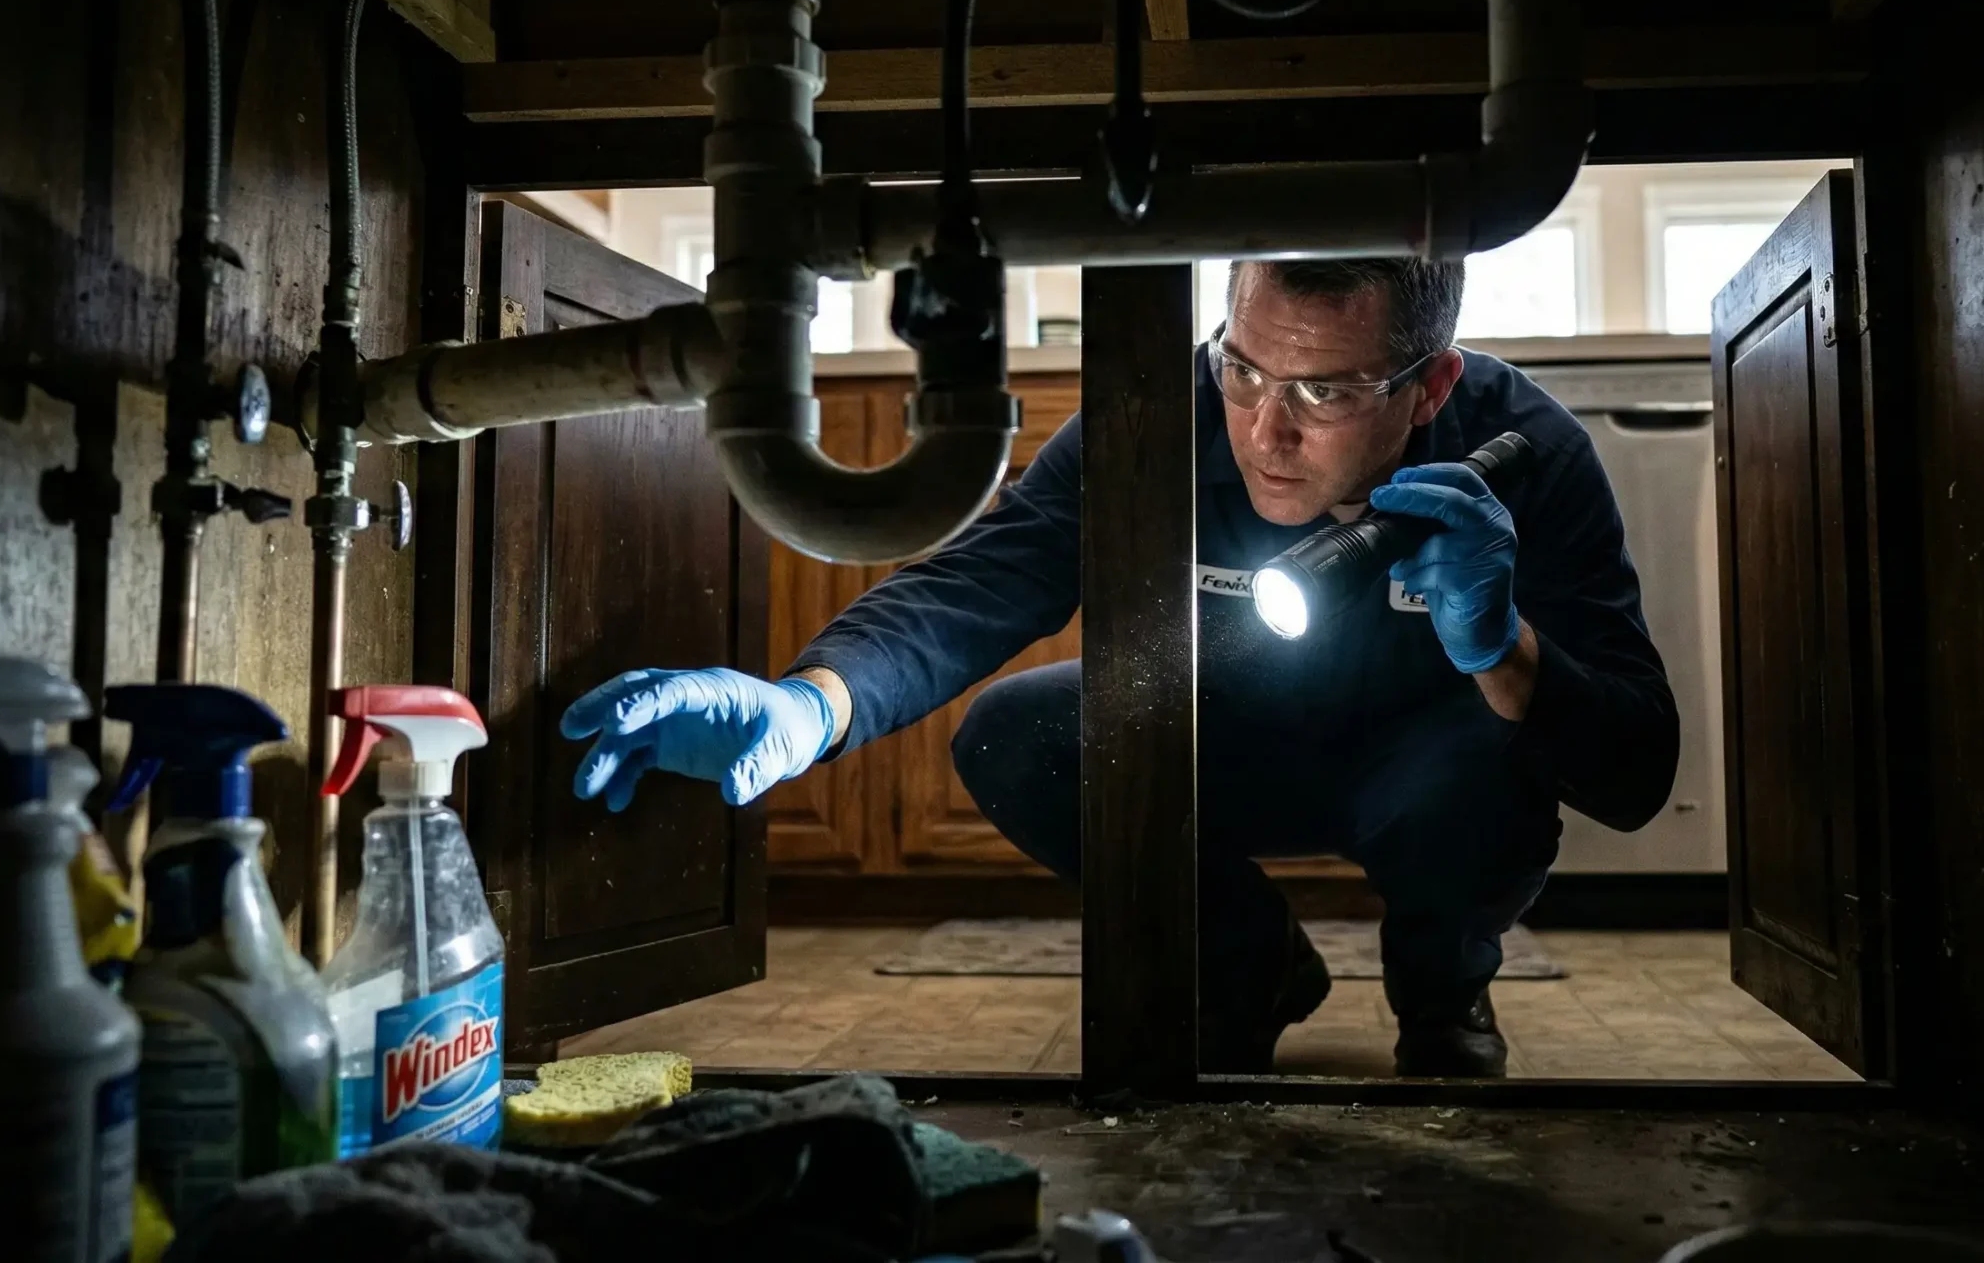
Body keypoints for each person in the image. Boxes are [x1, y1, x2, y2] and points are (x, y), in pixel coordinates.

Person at [558, 258, 1678, 1078]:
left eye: (1326, 393)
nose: (1265, 430)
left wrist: (1507, 651)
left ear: (1430, 387)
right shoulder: (1157, 416)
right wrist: (808, 705)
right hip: (1219, 735)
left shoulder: (1527, 452)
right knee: (1019, 732)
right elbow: (986, 577)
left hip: (1424, 765)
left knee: (1483, 764)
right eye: (1243, 368)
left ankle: (1443, 994)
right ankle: (1245, 966)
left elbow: (1633, 772)